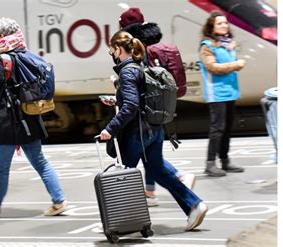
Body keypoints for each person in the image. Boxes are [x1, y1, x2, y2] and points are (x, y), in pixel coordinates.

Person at [100, 30, 207, 231]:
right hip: (154, 131)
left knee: (125, 177)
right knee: (159, 171)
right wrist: (116, 99)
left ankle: (122, 223)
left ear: (117, 49)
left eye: (111, 51)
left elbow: (131, 106)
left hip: (136, 134)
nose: (112, 55)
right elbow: (139, 99)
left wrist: (110, 128)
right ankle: (194, 205)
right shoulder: (141, 65)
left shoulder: (127, 71)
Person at [0, 17, 68, 218]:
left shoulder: (3, 59)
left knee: (1, 167)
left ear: (0, 36)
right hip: (30, 116)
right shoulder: (24, 54)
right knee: (40, 162)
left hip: (10, 122)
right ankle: (59, 200)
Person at [116, 7, 195, 206]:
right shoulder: (152, 44)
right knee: (152, 161)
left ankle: (178, 179)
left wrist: (111, 127)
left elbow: (135, 92)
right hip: (159, 108)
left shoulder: (136, 51)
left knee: (128, 169)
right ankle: (167, 196)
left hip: (142, 118)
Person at [199, 11, 246, 176]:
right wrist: (235, 65)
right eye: (220, 23)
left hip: (230, 92)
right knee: (217, 128)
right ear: (211, 27)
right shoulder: (207, 45)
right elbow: (212, 67)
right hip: (216, 93)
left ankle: (225, 160)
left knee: (227, 128)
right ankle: (210, 163)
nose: (224, 25)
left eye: (225, 23)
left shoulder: (228, 44)